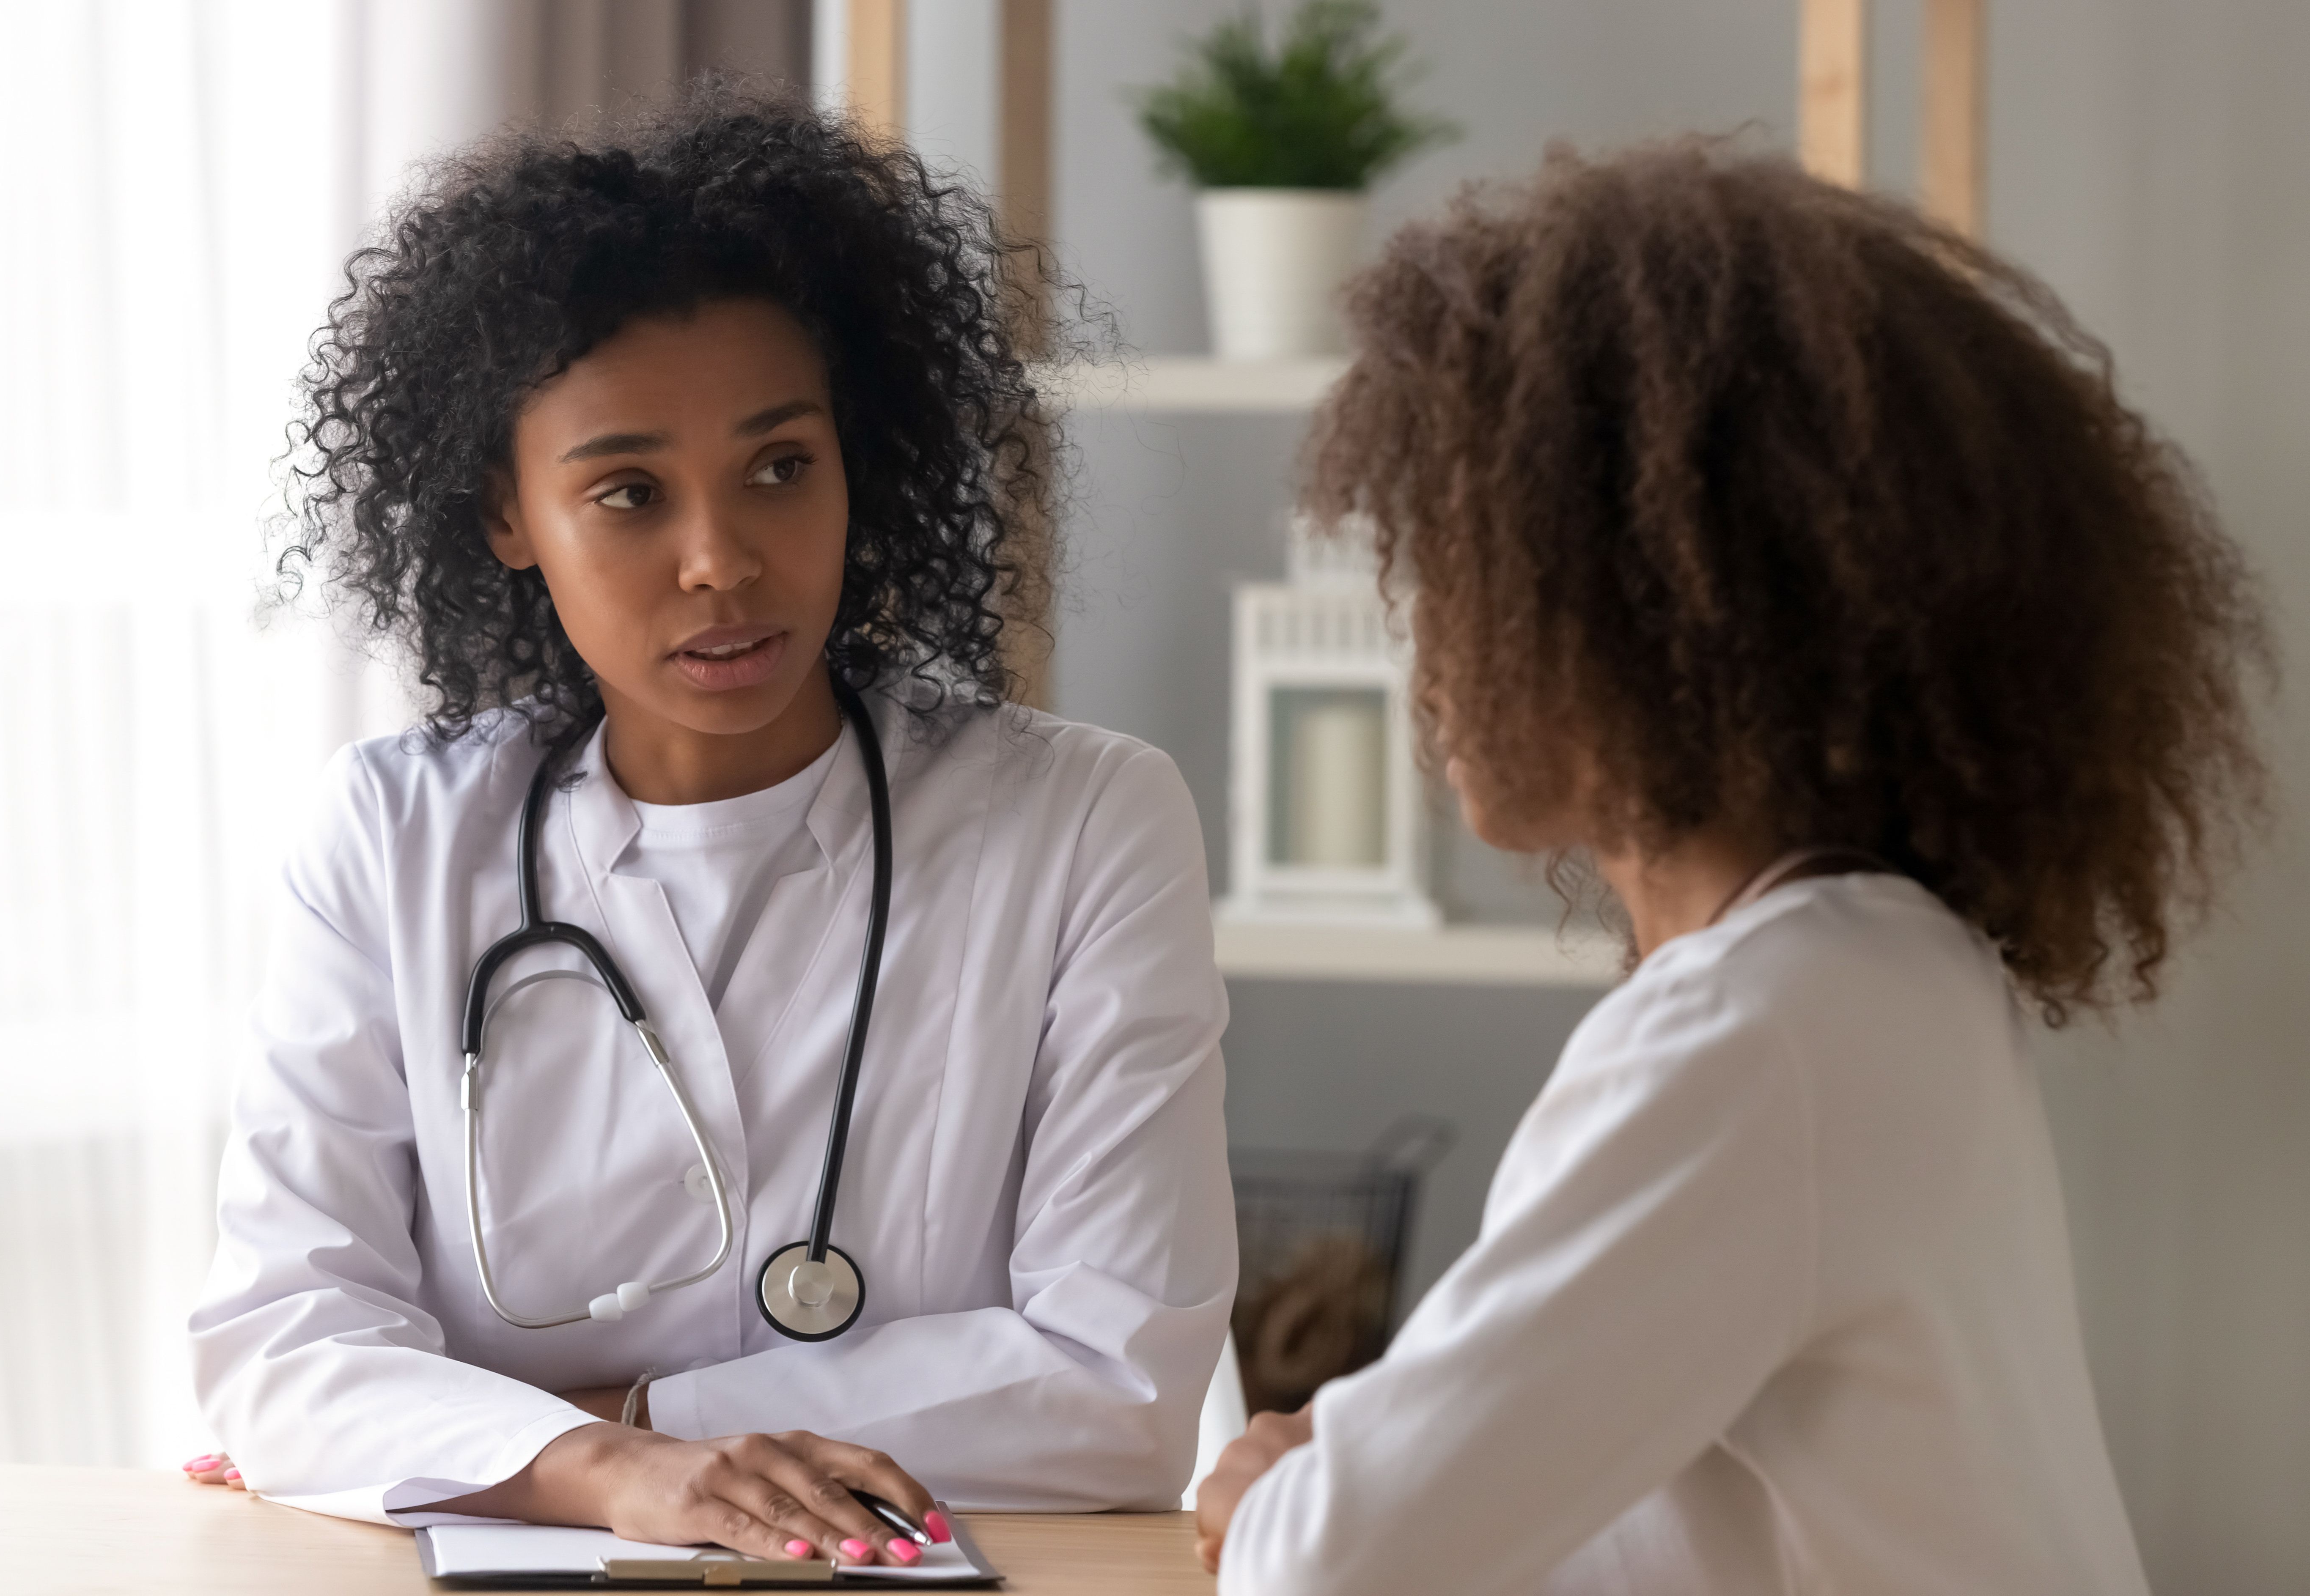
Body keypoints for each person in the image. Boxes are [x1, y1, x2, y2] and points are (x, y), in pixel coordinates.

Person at [184, 83, 1235, 1568]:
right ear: (506, 515)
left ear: (859, 462)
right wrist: (615, 1469)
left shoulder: (1084, 824)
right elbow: (282, 1354)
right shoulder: (390, 842)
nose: (721, 560)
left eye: (780, 467)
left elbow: (1119, 1393)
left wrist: (592, 1428)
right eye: (627, 492)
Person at [1196, 140, 2268, 1594]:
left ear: (1670, 611)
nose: (1431, 659)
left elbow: (1327, 1572)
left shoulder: (1751, 1036)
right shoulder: (1889, 966)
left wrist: (1285, 1483)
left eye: (1474, 581)